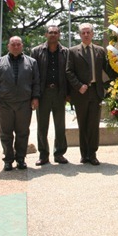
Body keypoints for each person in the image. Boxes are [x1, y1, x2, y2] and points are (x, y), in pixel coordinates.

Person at [0, 36, 40, 171]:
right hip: (5, 103)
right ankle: (8, 159)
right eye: (13, 44)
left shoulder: (31, 62)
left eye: (18, 44)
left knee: (23, 132)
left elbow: (36, 82)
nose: (16, 46)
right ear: (8, 46)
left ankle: (21, 159)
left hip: (24, 103)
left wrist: (35, 97)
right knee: (5, 133)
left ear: (22, 46)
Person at [66, 23, 112, 165]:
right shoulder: (73, 51)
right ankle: (84, 154)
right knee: (83, 124)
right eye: (83, 33)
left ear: (92, 34)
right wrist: (78, 86)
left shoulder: (99, 51)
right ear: (80, 35)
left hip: (95, 92)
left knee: (93, 124)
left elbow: (108, 69)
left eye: (88, 32)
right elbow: (68, 71)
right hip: (81, 92)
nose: (86, 35)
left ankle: (92, 154)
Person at [30, 25, 70, 165]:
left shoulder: (66, 52)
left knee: (60, 126)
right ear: (46, 34)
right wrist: (34, 96)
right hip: (43, 93)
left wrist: (68, 94)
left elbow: (68, 74)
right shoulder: (36, 51)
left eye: (55, 32)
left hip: (59, 93)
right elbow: (33, 75)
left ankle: (59, 153)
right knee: (42, 126)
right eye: (50, 32)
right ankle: (43, 155)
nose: (53, 35)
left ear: (59, 35)